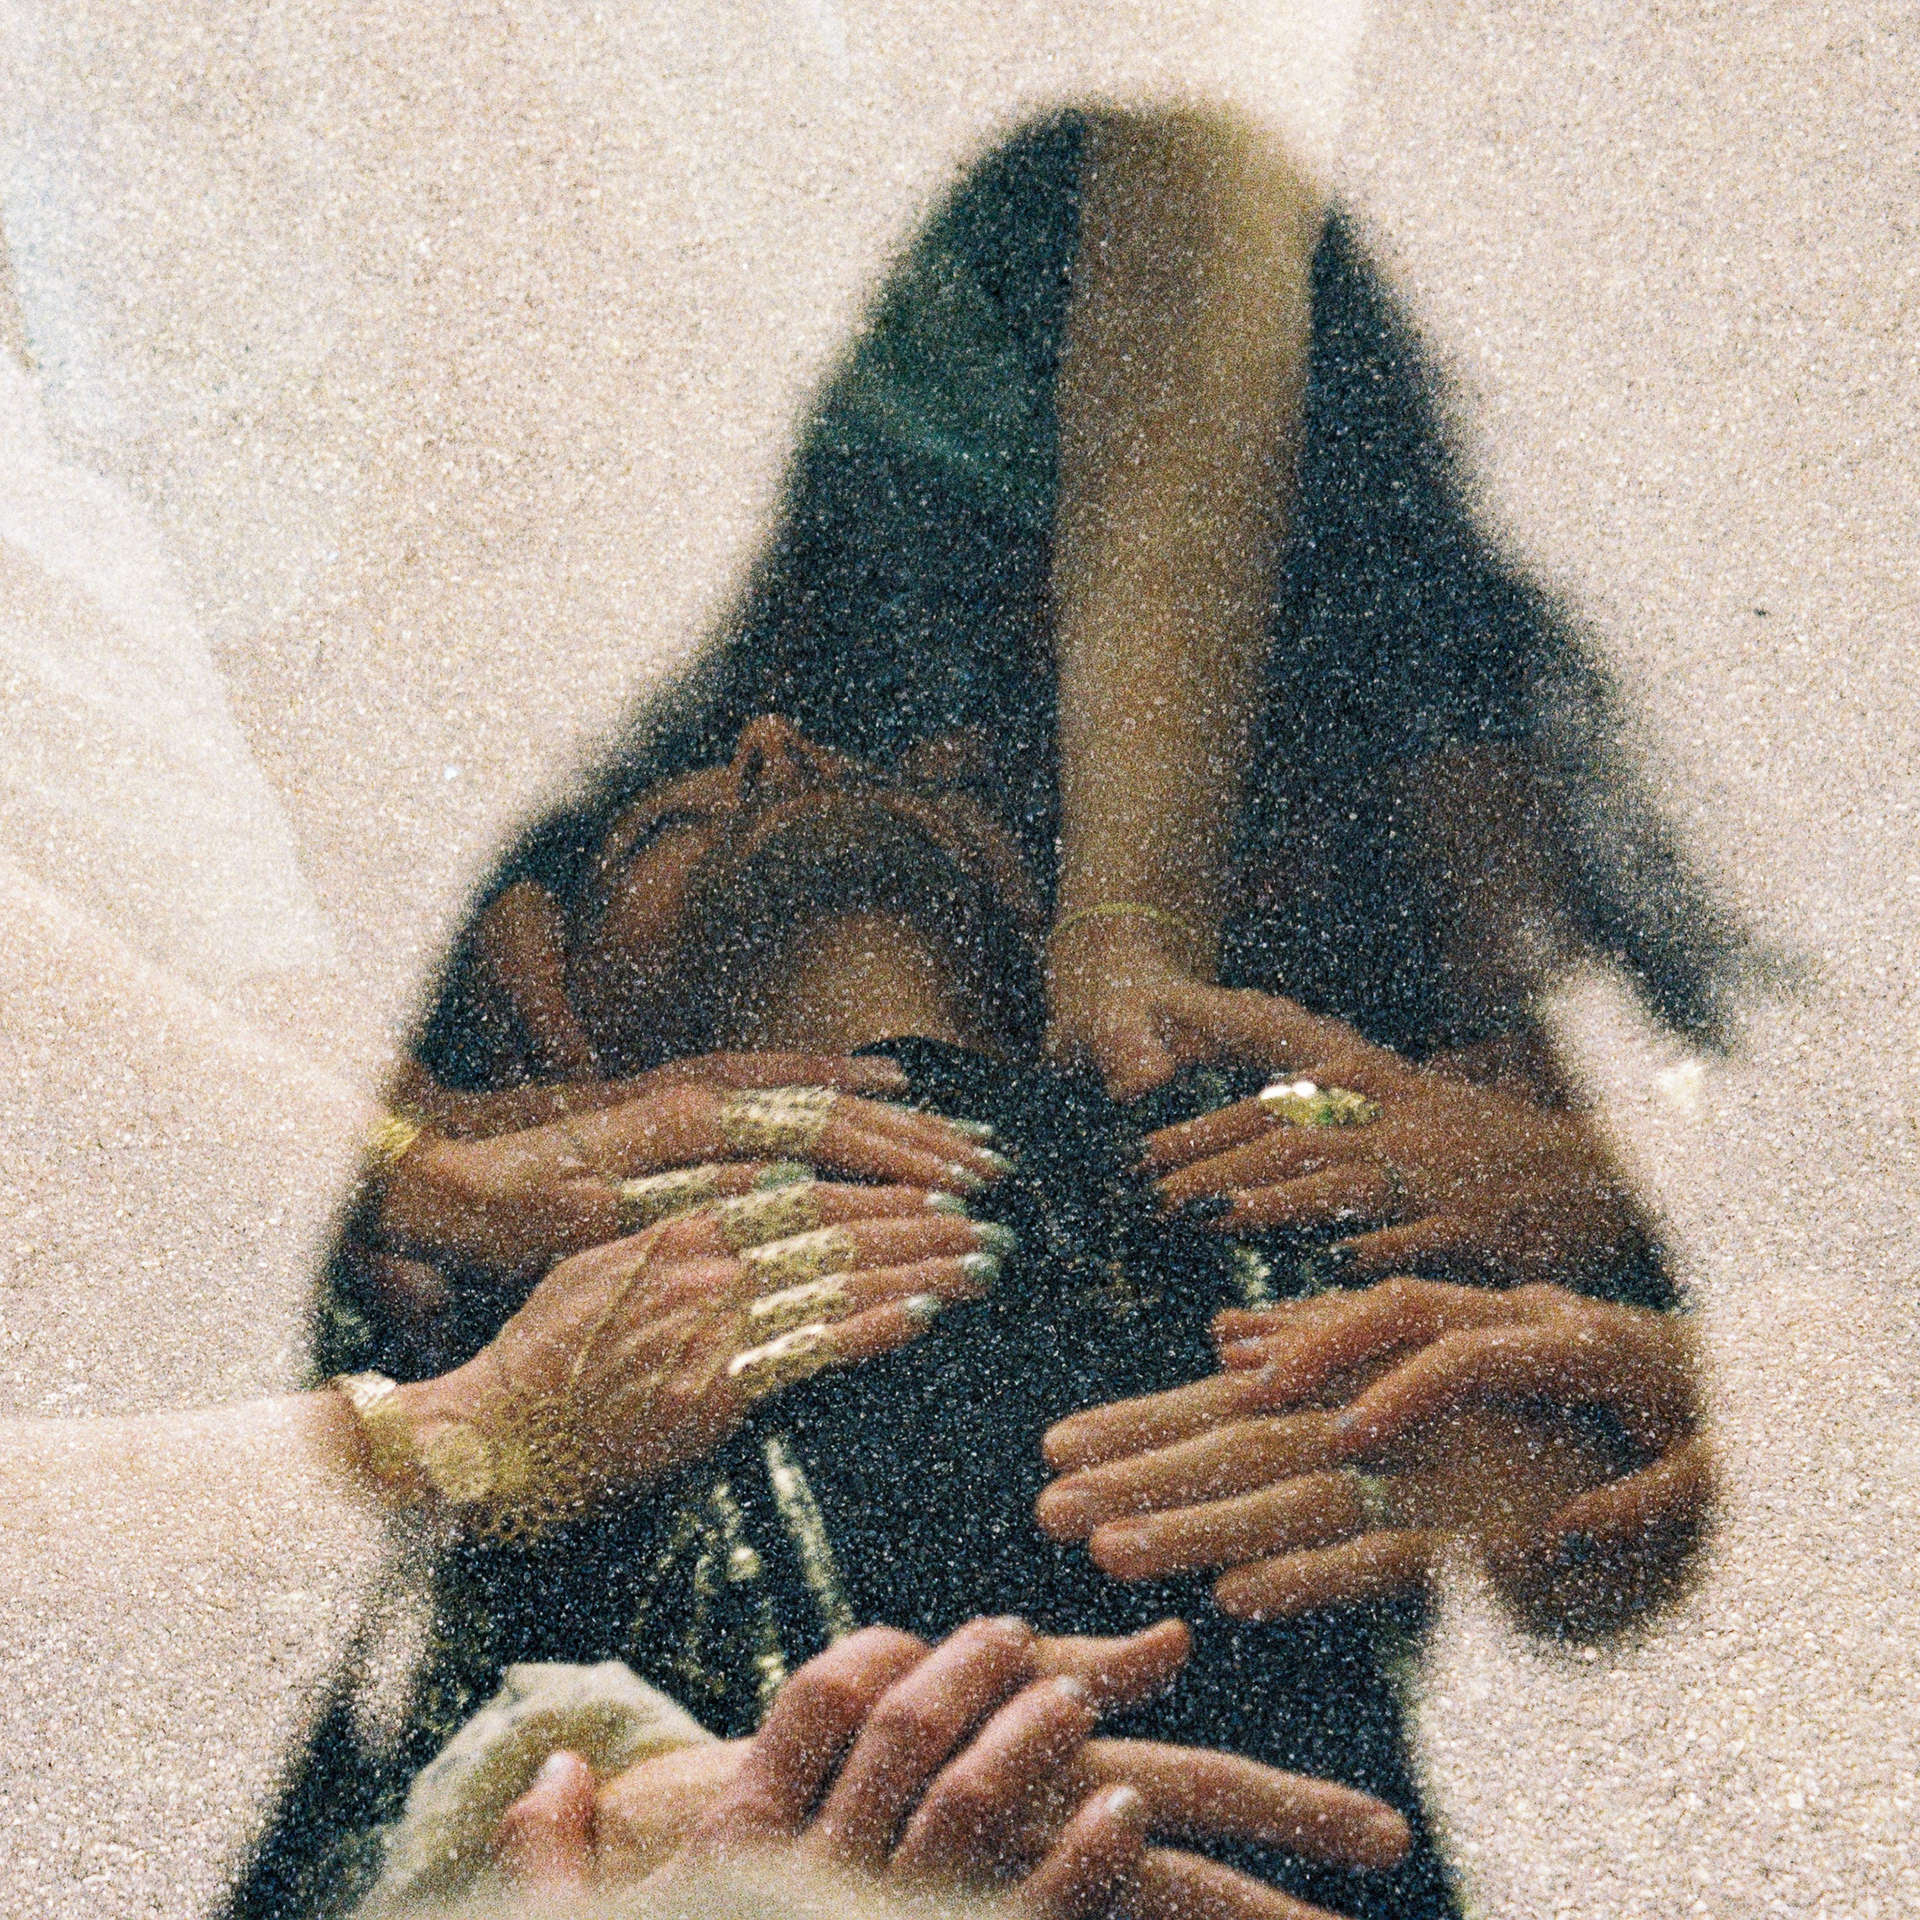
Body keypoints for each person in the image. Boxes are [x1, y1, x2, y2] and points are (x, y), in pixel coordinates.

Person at [231, 715, 1707, 1920]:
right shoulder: (525, 1350)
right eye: (652, 828)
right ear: (560, 1025)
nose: (776, 743)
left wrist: (1655, 1261)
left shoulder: (1429, 1170)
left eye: (904, 772)